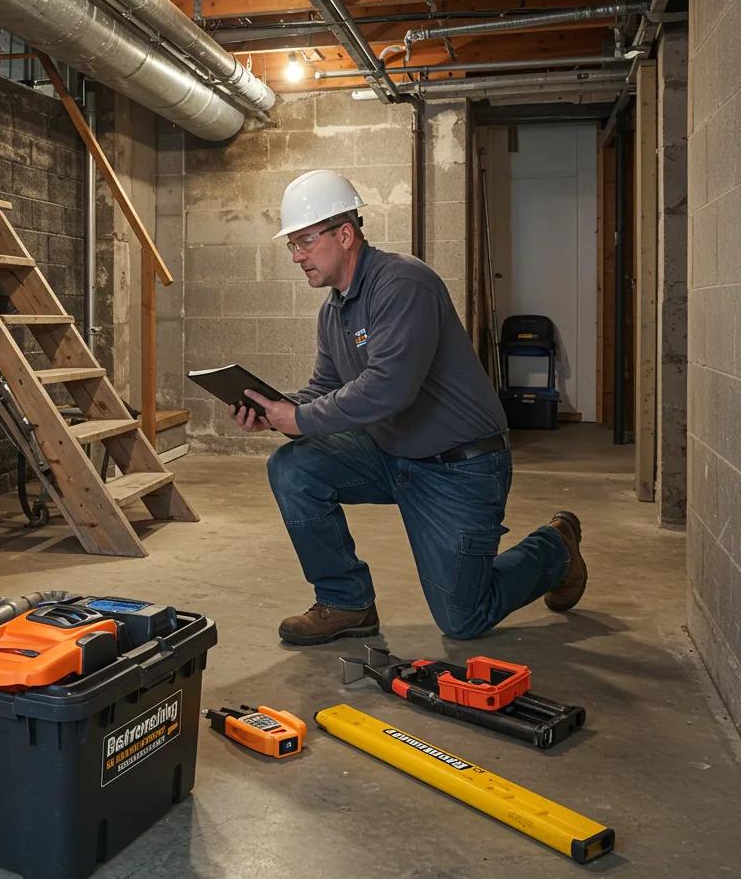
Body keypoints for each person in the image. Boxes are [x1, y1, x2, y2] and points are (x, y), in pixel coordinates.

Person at [231, 169, 586, 646]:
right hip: (393, 454)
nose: (297, 256)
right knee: (294, 466)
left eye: (305, 241)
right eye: (291, 244)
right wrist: (275, 408)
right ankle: (346, 602)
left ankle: (556, 547)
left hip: (460, 465)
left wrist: (296, 418)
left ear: (345, 234)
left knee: (464, 618)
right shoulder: (334, 310)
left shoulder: (402, 282)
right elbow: (327, 386)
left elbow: (388, 389)